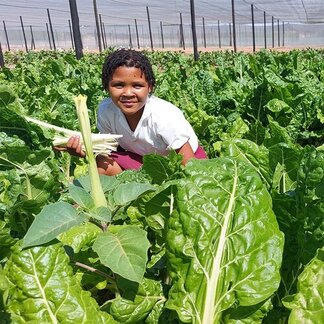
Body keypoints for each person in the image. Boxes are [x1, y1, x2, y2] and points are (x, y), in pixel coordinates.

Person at [58, 49, 207, 175]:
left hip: (181, 163)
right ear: (106, 86)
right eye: (118, 85)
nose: (128, 93)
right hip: (140, 159)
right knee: (103, 162)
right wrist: (85, 151)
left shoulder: (163, 116)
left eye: (137, 86)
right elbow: (106, 151)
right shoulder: (106, 110)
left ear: (150, 87)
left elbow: (190, 165)